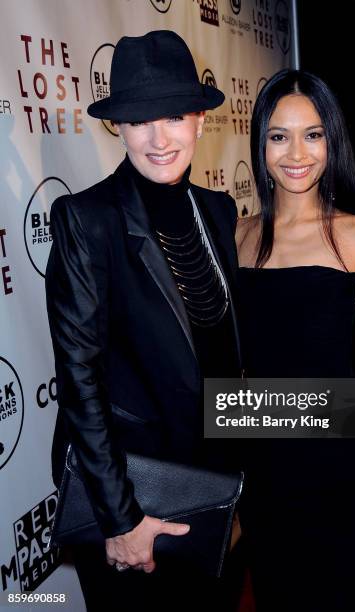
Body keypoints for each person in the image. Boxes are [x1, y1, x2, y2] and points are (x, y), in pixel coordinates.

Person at [45, 30, 243, 611]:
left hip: (211, 488)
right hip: (136, 494)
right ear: (119, 127)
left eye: (175, 115)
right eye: (138, 119)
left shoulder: (219, 210)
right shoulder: (87, 219)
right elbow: (79, 381)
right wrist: (121, 517)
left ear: (201, 122)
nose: (159, 138)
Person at [235, 69, 355, 611]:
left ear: (332, 141)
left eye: (313, 134)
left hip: (347, 472)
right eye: (279, 135)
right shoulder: (236, 238)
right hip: (271, 484)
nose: (297, 152)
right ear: (260, 144)